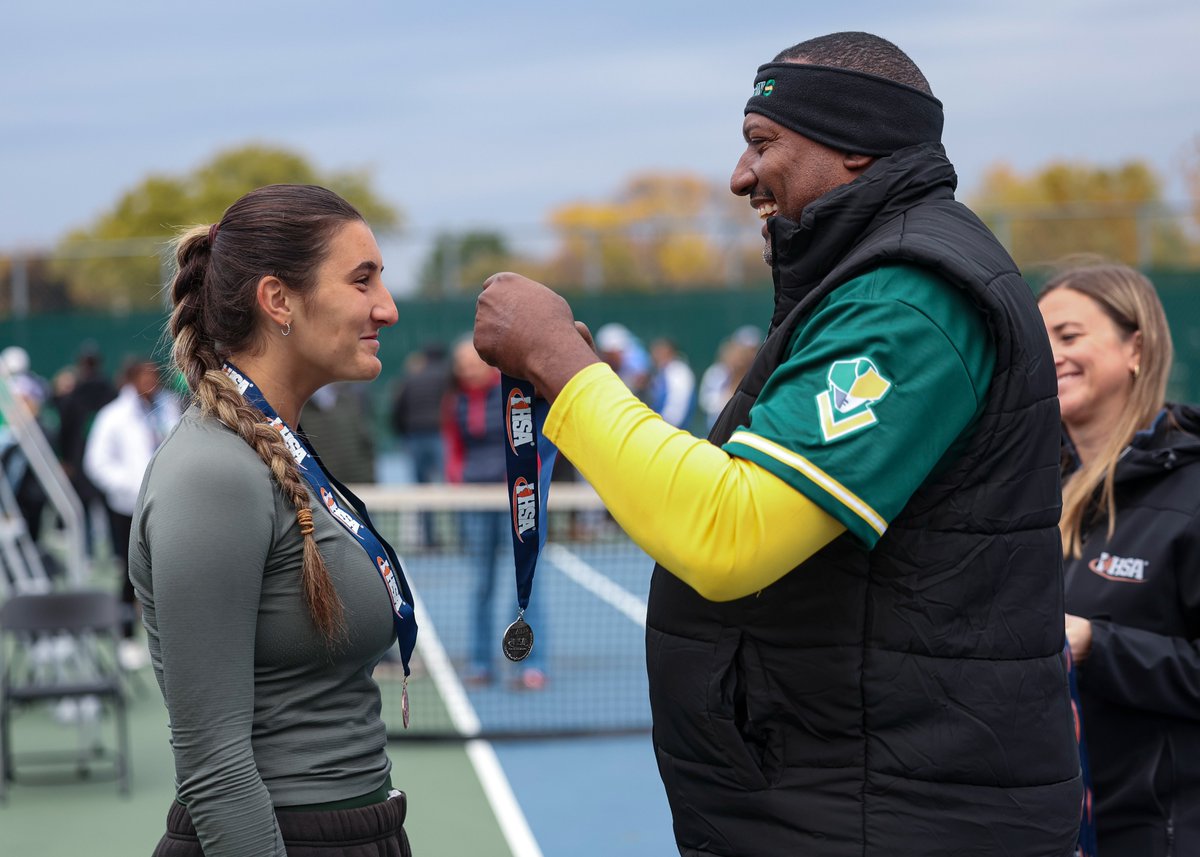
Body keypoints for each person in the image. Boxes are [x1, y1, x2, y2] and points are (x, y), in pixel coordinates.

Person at [475, 31, 1081, 857]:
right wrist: (570, 382)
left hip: (890, 814)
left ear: (857, 147)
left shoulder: (908, 303)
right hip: (855, 796)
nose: (739, 175)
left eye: (764, 144)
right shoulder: (875, 280)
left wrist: (561, 359)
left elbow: (728, 532)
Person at [129, 184, 413, 856]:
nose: (387, 307)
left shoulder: (281, 446)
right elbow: (215, 766)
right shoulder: (212, 474)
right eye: (362, 279)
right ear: (278, 300)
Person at [1038, 263, 1200, 857]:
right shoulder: (1028, 496)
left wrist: (1096, 645)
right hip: (1060, 829)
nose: (1051, 353)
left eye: (1069, 335)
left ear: (1136, 347)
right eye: (1040, 339)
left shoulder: (1191, 491)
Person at [442, 337, 547, 690]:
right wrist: (458, 482)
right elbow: (454, 447)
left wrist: (522, 487)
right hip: (475, 502)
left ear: (487, 364)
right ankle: (480, 662)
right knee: (481, 583)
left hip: (515, 502)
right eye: (461, 365)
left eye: (472, 363)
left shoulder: (513, 397)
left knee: (526, 584)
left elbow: (529, 444)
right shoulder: (455, 402)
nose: (467, 369)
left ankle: (531, 665)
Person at [84, 357, 181, 670]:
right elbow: (96, 462)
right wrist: (128, 486)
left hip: (168, 503)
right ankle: (126, 637)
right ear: (130, 379)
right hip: (128, 507)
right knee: (131, 574)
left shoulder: (169, 407)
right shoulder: (113, 416)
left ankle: (170, 638)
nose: (150, 381)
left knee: (170, 570)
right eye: (143, 376)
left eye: (153, 375)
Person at [390, 343, 450, 546]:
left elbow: (397, 408)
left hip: (414, 437)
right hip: (441, 435)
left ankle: (430, 539)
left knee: (422, 491)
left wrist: (404, 432)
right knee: (456, 488)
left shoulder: (410, 377)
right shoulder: (447, 377)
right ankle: (465, 537)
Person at [302, 381, 378, 484]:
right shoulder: (300, 408)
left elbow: (366, 443)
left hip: (358, 483)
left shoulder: (349, 399)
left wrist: (369, 479)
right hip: (324, 488)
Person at [646, 338, 696, 429]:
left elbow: (677, 404)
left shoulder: (678, 371)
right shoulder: (661, 371)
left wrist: (662, 426)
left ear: (668, 352)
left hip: (670, 429)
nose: (654, 355)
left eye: (658, 351)